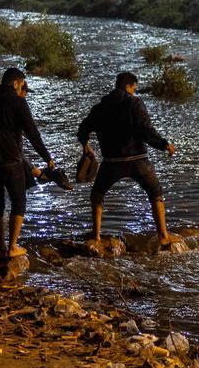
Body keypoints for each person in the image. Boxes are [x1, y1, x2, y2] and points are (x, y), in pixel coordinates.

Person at [78, 72, 181, 248]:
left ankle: (95, 237)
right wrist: (164, 145)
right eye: (134, 88)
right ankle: (163, 236)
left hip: (111, 162)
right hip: (137, 159)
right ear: (128, 86)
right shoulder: (134, 103)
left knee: (97, 195)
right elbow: (146, 130)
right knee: (155, 192)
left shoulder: (101, 106)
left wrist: (86, 146)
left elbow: (83, 128)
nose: (134, 91)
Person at [0, 67, 57, 258]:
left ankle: (0, 248)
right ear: (16, 82)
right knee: (18, 202)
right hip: (10, 160)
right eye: (22, 84)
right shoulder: (18, 102)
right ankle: (12, 246)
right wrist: (47, 157)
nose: (22, 88)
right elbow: (33, 134)